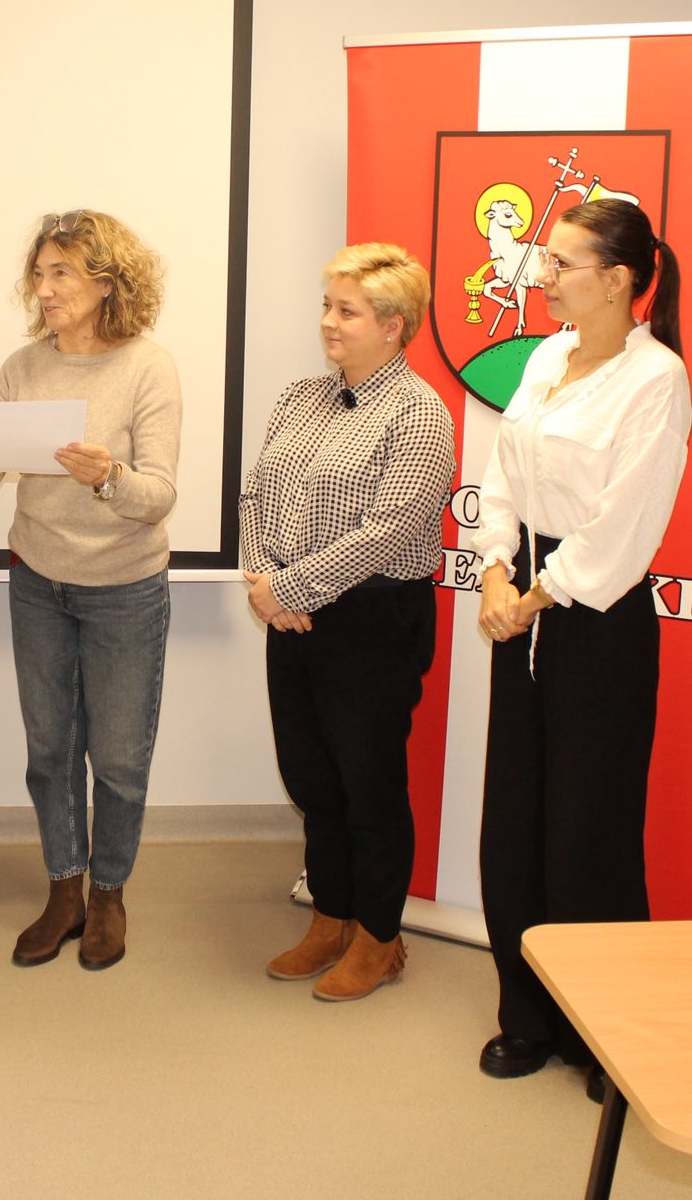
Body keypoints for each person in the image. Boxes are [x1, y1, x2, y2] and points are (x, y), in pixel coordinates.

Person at [0, 210, 180, 972]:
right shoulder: (23, 369)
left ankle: (109, 895)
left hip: (124, 588)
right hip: (38, 582)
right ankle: (65, 891)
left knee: (119, 759)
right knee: (50, 752)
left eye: (61, 272)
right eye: (39, 273)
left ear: (107, 281)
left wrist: (110, 478)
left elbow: (158, 495)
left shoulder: (148, 368)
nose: (44, 288)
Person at [471, 199, 692, 1095]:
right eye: (547, 259)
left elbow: (623, 526)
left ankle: (603, 1032)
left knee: (588, 829)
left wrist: (534, 596)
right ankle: (526, 1016)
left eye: (562, 263)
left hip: (594, 618)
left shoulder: (657, 379)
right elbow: (501, 474)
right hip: (519, 600)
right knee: (515, 821)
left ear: (617, 280)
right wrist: (494, 569)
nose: (545, 275)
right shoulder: (547, 357)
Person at [240, 243, 454, 1002]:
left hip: (372, 620)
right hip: (290, 611)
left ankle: (379, 938)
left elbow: (391, 529)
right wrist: (265, 582)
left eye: (347, 311)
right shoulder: (300, 397)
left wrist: (292, 587)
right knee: (312, 778)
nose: (328, 321)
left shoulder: (419, 413)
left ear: (393, 325)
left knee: (369, 785)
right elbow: (255, 494)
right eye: (327, 306)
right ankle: (330, 917)